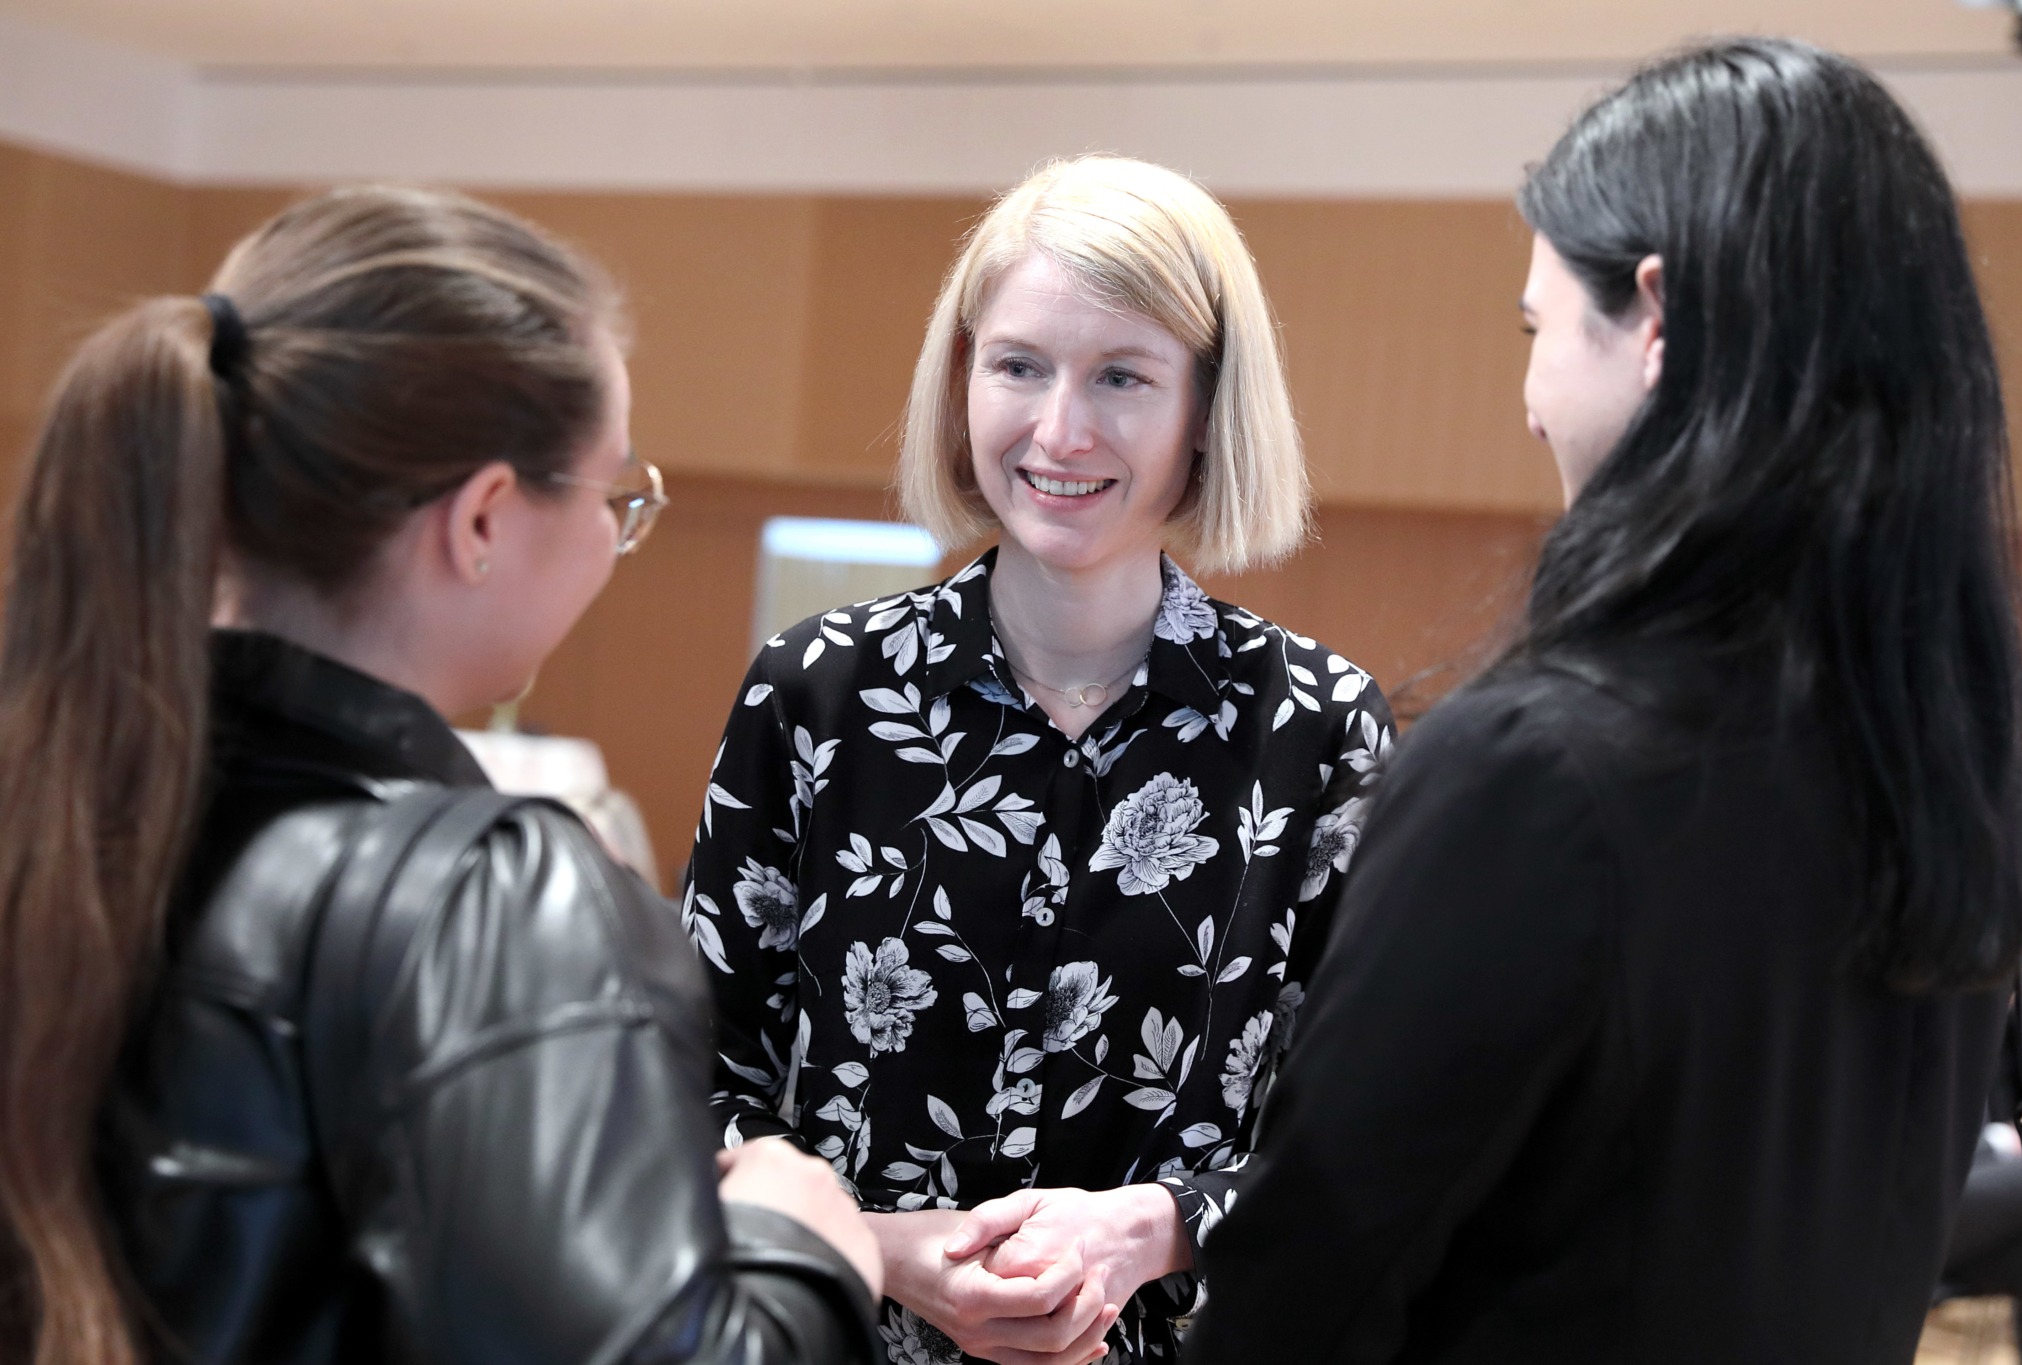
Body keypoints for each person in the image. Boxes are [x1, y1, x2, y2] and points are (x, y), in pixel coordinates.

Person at [1182, 38, 2022, 1365]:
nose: (1529, 405)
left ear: (1655, 318)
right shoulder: (1950, 779)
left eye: (1537, 329)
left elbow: (1303, 1298)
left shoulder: (1539, 771)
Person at [0, 185, 883, 1365]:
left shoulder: (56, 806)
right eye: (614, 494)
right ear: (481, 521)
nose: (614, 539)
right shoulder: (494, 900)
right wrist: (799, 1245)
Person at [685, 155, 1394, 1365]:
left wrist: (1153, 1230)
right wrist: (876, 1244)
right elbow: (689, 1082)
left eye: (1121, 376)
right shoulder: (818, 692)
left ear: (1205, 411)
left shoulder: (1317, 732)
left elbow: (1362, 1133)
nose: (1057, 430)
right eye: (1018, 365)